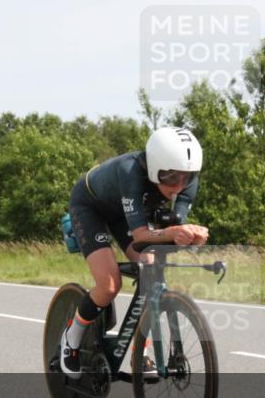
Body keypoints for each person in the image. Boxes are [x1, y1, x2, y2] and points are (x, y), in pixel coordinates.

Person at [61, 127, 209, 378]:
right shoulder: (130, 172)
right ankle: (71, 338)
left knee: (149, 268)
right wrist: (174, 232)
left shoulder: (185, 182)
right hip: (90, 208)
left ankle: (140, 351)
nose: (178, 186)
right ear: (155, 168)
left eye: (186, 178)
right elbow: (141, 235)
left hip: (125, 214)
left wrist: (190, 235)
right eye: (171, 177)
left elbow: (174, 225)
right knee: (109, 285)